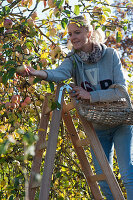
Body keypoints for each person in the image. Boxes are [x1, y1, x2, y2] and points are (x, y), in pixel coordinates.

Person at [20, 15, 133, 200]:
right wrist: (36, 73)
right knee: (104, 180)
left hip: (120, 122)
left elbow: (122, 92)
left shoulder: (110, 55)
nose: (72, 37)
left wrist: (91, 95)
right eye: (70, 34)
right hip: (97, 127)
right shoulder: (73, 60)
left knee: (128, 173)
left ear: (89, 32)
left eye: (77, 32)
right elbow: (59, 73)